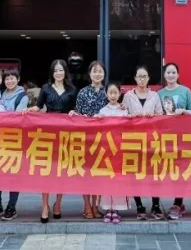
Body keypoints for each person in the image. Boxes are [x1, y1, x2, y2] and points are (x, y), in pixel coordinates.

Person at [26, 59, 77, 223]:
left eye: (61, 70)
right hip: (48, 133)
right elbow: (39, 106)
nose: (58, 73)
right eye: (55, 70)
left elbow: (75, 109)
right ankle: (44, 206)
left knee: (62, 170)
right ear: (52, 73)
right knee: (47, 170)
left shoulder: (72, 89)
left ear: (65, 72)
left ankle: (58, 204)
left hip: (66, 133)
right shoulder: (46, 88)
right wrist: (29, 110)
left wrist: (74, 112)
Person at [122, 65, 164, 220]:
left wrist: (153, 117)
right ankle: (139, 205)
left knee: (154, 173)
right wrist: (131, 117)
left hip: (152, 139)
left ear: (148, 78)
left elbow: (161, 116)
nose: (141, 79)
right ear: (135, 78)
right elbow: (123, 115)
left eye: (144, 76)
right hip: (133, 139)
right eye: (139, 76)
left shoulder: (155, 95)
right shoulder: (128, 96)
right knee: (135, 174)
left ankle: (155, 205)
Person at [0, 68, 28, 221]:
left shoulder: (22, 96)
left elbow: (16, 118)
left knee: (13, 173)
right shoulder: (1, 93)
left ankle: (11, 206)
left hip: (13, 139)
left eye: (12, 78)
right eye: (7, 79)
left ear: (18, 79)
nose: (9, 81)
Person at [71, 61, 108, 219]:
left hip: (103, 139)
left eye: (100, 71)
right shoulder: (82, 92)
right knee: (86, 173)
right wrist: (75, 114)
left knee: (99, 174)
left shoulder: (108, 92)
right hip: (86, 138)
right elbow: (78, 113)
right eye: (94, 71)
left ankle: (96, 206)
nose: (97, 74)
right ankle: (87, 206)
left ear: (104, 74)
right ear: (89, 74)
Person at [157, 62, 191, 220]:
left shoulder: (185, 91)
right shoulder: (159, 94)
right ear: (164, 75)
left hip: (182, 137)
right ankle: (157, 204)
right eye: (168, 72)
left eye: (173, 72)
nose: (171, 75)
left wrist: (184, 111)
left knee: (180, 171)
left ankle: (178, 203)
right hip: (164, 137)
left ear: (178, 75)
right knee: (164, 170)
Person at [96, 83, 129, 223]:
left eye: (115, 92)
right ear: (106, 94)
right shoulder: (102, 111)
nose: (113, 95)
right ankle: (108, 209)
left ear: (119, 94)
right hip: (106, 150)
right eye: (110, 92)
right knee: (107, 180)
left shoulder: (124, 111)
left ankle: (116, 209)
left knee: (118, 180)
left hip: (120, 150)